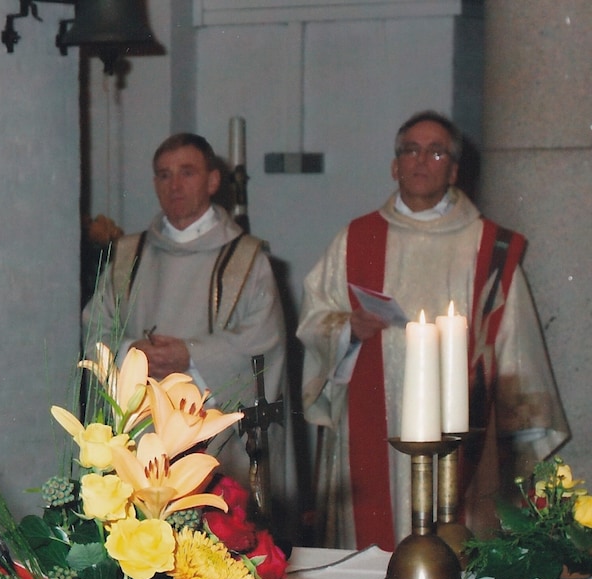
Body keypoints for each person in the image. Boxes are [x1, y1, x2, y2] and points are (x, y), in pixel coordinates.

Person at [298, 110, 570, 550]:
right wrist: (348, 328)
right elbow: (314, 321)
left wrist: (518, 439)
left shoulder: (488, 247)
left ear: (454, 169)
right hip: (370, 422)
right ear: (395, 164)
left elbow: (514, 344)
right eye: (411, 150)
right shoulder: (355, 239)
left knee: (458, 551)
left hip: (461, 427)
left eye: (436, 151)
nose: (421, 160)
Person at [82, 132, 292, 529]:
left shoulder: (246, 259)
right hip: (142, 427)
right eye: (163, 175)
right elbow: (96, 327)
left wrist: (191, 355)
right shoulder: (128, 255)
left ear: (213, 181)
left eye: (187, 173)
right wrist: (134, 353)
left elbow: (264, 340)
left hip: (215, 428)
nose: (174, 185)